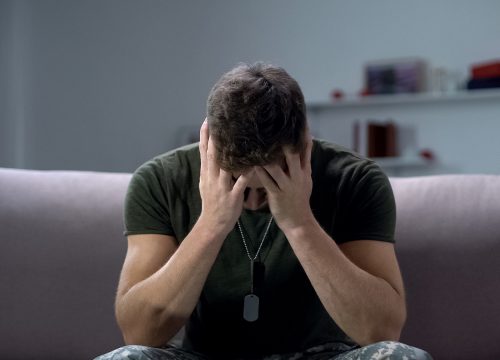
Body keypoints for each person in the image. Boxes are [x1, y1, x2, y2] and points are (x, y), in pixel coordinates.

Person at [95, 63, 432, 360]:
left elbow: (382, 330)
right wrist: (212, 224)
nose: (253, 202)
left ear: (305, 144)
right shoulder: (158, 180)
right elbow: (139, 332)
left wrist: (299, 223)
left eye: (272, 182)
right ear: (207, 144)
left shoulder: (355, 179)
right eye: (235, 181)